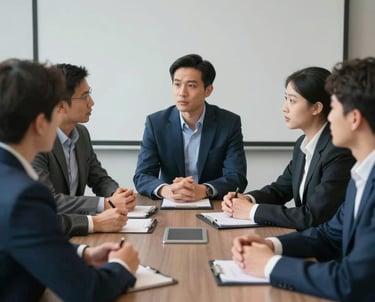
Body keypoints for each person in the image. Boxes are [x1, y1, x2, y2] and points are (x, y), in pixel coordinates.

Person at [231, 57, 375, 301]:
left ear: (354, 118)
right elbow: (329, 234)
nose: (329, 118)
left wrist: (269, 265)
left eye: (335, 108)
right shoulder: (362, 173)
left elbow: (350, 282)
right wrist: (272, 245)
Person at [0, 59, 139, 301]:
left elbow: (23, 242)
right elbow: (87, 292)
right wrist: (122, 266)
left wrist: (83, 253)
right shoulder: (25, 195)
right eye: (55, 111)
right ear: (41, 124)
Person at [222, 67, 355, 230]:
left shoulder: (338, 151)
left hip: (328, 247)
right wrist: (247, 199)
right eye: (286, 99)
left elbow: (312, 216)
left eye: (292, 101)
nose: (284, 108)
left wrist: (252, 211)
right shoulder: (302, 144)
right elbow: (279, 190)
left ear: (316, 108)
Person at [32, 63, 136, 236]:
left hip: (76, 232)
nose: (91, 102)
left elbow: (99, 178)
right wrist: (105, 204)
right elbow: (49, 201)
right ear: (60, 105)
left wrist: (117, 194)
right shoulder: (36, 142)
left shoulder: (81, 133)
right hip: (51, 232)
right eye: (84, 96)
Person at [133, 54, 247, 202]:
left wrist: (204, 190)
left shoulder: (228, 123)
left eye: (191, 85)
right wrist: (166, 190)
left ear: (208, 90)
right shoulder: (156, 123)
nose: (182, 93)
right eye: (177, 84)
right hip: (170, 203)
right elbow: (142, 175)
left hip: (214, 204)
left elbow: (236, 177)